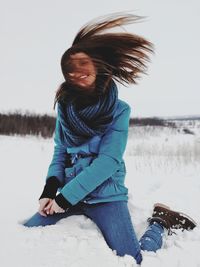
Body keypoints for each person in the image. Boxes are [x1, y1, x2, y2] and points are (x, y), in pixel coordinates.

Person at [23, 13, 197, 264]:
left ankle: (160, 221)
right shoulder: (64, 106)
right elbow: (61, 150)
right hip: (68, 194)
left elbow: (109, 160)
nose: (77, 72)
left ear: (96, 64)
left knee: (132, 258)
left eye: (82, 64)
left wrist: (65, 197)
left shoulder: (119, 110)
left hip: (106, 194)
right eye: (70, 68)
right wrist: (50, 190)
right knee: (28, 230)